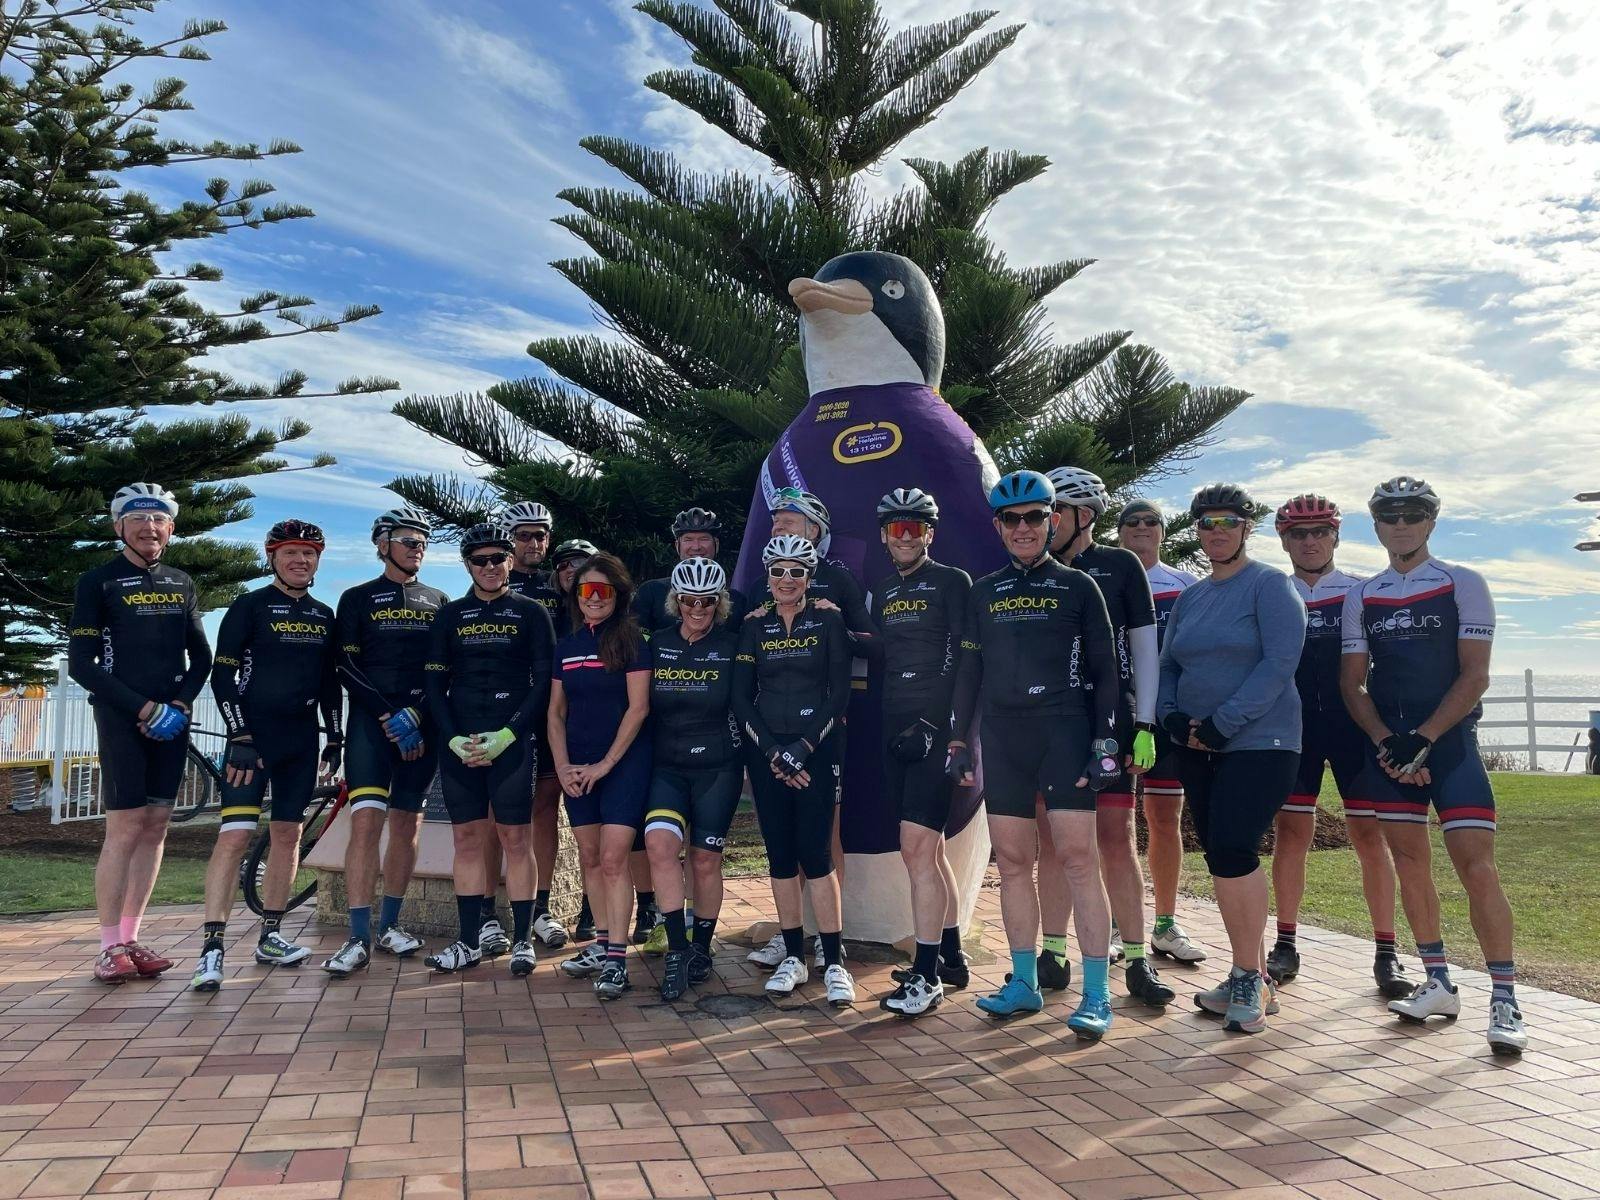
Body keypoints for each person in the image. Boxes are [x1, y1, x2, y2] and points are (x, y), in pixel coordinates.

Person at [1339, 476, 1524, 1054]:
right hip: (1391, 749)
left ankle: (1504, 996)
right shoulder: (1361, 593)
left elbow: (1476, 675)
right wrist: (1386, 742)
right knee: (1410, 864)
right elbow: (1353, 682)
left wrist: (1425, 737)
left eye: (1413, 514)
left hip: (1448, 746)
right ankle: (1438, 980)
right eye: (1389, 516)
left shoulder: (1462, 582)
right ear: (1376, 526)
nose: (1401, 524)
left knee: (1477, 868)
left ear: (1431, 521)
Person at [948, 471, 1123, 1038]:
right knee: (1014, 862)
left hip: (1064, 731)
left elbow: (1107, 673)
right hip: (1003, 737)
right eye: (1010, 519)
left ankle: (1095, 993)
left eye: (1033, 517)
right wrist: (958, 740)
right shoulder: (983, 590)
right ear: (998, 527)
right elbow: (968, 671)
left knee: (1077, 859)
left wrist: (1106, 740)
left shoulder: (1079, 587)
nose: (1022, 528)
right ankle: (1023, 982)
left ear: (1053, 520)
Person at [1158, 483, 1306, 1036]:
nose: (1215, 531)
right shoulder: (1193, 596)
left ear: (1247, 527)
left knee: (1235, 849)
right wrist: (1172, 716)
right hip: (1196, 743)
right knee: (1220, 855)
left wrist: (1225, 723)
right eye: (1205, 522)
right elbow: (1169, 663)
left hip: (1259, 743)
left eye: (1227, 521)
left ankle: (1252, 976)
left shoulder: (1269, 585)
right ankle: (1250, 970)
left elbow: (1279, 662)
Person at [1039, 467, 1174, 1008]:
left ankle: (1138, 957)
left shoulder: (1119, 566)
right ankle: (1052, 951)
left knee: (1116, 839)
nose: (1046, 522)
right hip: (1050, 723)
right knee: (1051, 842)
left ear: (1084, 516)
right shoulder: (1036, 568)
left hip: (1112, 723)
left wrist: (1144, 723)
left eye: (1056, 512)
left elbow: (1145, 648)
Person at [69, 483, 211, 984]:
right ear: (119, 526)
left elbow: (202, 658)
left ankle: (132, 936)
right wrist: (142, 707)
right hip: (121, 717)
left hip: (169, 720)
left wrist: (178, 704)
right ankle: (108, 946)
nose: (149, 527)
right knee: (125, 828)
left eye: (158, 519)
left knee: (156, 827)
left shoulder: (181, 581)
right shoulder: (98, 582)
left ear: (170, 528)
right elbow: (81, 665)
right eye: (138, 519)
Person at [190, 520, 342, 989]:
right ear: (272, 557)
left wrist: (334, 738)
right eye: (291, 552)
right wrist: (240, 735)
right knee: (234, 839)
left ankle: (270, 934)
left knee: (288, 835)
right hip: (250, 743)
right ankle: (211, 948)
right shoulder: (249, 606)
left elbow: (327, 685)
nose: (301, 560)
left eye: (310, 553)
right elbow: (223, 676)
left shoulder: (323, 614)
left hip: (300, 743)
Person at [1271, 494, 1411, 1000]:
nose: (1309, 541)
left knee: (1370, 838)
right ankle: (1285, 942)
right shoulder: (1273, 591)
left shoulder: (1361, 590)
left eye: (1319, 532)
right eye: (1297, 534)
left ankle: (1386, 950)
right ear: (1283, 540)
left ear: (1335, 536)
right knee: (1291, 835)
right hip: (1294, 730)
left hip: (1353, 730)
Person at [746, 488, 875, 971]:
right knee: (782, 839)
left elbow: (870, 642)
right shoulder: (765, 584)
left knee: (823, 837)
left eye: (788, 520)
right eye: (775, 520)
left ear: (815, 531)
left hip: (823, 732)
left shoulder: (838, 580)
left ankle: (827, 939)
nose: (777, 526)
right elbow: (749, 652)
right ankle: (791, 935)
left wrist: (836, 631)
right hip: (773, 735)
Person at [422, 524, 555, 976]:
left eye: (498, 558)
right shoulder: (449, 615)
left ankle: (521, 940)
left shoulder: (532, 613)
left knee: (517, 839)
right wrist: (453, 737)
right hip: (461, 741)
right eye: (480, 560)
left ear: (510, 561)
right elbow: (435, 684)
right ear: (467, 565)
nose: (490, 567)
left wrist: (510, 734)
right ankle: (467, 940)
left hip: (511, 741)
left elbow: (543, 686)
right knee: (467, 840)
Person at [323, 506, 448, 977]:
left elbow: (441, 668)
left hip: (420, 725)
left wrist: (415, 713)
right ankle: (356, 936)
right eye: (406, 539)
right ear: (381, 544)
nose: (416, 547)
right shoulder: (356, 598)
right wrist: (387, 714)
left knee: (407, 827)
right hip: (371, 728)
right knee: (365, 826)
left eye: (422, 540)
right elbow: (345, 666)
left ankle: (390, 926)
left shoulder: (439, 599)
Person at [734, 534, 857, 1005]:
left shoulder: (828, 619)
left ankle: (834, 960)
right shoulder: (753, 625)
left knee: (817, 854)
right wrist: (772, 753)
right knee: (781, 855)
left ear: (809, 577)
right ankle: (791, 956)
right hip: (768, 754)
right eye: (778, 571)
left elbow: (839, 694)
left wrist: (802, 749)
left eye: (797, 572)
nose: (787, 580)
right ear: (768, 576)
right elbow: (741, 696)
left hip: (817, 752)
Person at [866, 489, 971, 1018]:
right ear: (885, 536)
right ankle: (950, 957)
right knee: (929, 853)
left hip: (936, 728)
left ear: (929, 533)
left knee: (916, 851)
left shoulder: (952, 581)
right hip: (892, 723)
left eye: (915, 528)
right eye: (895, 529)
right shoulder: (881, 590)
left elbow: (960, 655)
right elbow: (880, 651)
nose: (905, 537)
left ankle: (926, 977)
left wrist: (936, 724)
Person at [549, 553, 652, 998]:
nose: (594, 599)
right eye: (586, 590)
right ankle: (602, 942)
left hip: (622, 764)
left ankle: (616, 960)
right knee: (591, 859)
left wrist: (605, 764)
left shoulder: (632, 640)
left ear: (618, 595)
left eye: (603, 591)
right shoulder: (566, 646)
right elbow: (555, 713)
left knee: (613, 859)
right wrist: (563, 767)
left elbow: (639, 708)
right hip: (577, 768)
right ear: (576, 595)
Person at [643, 557, 743, 1000]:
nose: (698, 608)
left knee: (705, 861)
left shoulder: (732, 645)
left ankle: (702, 946)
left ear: (719, 603)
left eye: (707, 601)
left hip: (718, 768)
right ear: (676, 601)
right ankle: (678, 949)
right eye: (689, 600)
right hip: (667, 767)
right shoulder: (657, 643)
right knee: (660, 846)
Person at [1117, 499, 1206, 965]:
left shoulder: (1184, 586)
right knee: (1114, 825)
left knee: (1164, 819)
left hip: (1165, 718)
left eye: (1151, 522)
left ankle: (1166, 923)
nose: (1142, 528)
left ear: (1163, 533)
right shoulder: (1103, 578)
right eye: (1131, 522)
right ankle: (1118, 924)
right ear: (1119, 533)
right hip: (1116, 713)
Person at [500, 501, 569, 953]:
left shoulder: (562, 586)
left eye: (541, 535)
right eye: (525, 535)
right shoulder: (494, 584)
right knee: (494, 818)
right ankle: (488, 912)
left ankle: (541, 909)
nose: (534, 543)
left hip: (550, 709)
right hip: (503, 710)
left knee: (545, 808)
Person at [547, 535, 600, 940]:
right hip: (559, 731)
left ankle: (595, 911)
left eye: (580, 564)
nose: (571, 570)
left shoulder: (608, 616)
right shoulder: (552, 617)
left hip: (607, 744)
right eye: (564, 564)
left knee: (613, 837)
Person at [633, 508, 750, 632]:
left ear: (716, 544)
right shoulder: (651, 592)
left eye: (704, 539)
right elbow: (636, 641)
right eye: (688, 539)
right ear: (677, 545)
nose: (696, 547)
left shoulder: (737, 600)